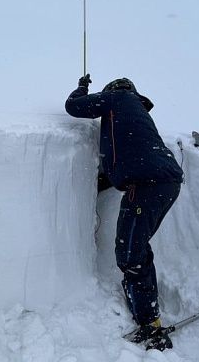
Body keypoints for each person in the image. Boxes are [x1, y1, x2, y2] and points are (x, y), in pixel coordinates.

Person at [65, 75, 183, 351]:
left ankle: (150, 323)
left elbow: (73, 106)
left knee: (130, 254)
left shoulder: (119, 99)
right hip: (163, 182)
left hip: (146, 184)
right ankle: (145, 305)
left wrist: (82, 88)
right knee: (136, 249)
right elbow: (123, 154)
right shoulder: (133, 114)